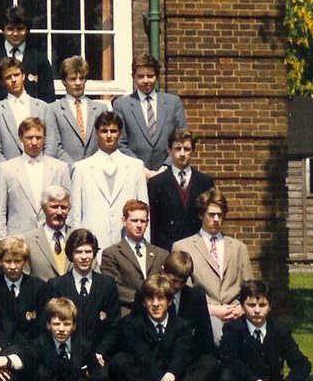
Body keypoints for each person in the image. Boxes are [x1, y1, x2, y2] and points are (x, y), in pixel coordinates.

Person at [114, 274, 217, 381]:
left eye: (160, 298)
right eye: (150, 299)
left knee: (208, 361)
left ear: (169, 301)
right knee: (120, 360)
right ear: (143, 302)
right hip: (149, 380)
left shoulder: (183, 325)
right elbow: (143, 358)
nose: (155, 304)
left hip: (175, 379)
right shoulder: (131, 324)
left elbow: (179, 357)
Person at [218, 280, 313, 381]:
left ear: (270, 306)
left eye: (262, 305)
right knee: (226, 377)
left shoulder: (279, 329)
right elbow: (231, 360)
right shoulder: (233, 328)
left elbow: (301, 363)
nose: (257, 310)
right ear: (242, 306)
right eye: (251, 305)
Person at [174, 187, 252, 344]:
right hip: (205, 314)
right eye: (211, 214)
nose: (216, 219)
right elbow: (184, 292)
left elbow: (250, 286)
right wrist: (211, 309)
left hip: (236, 312)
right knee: (219, 339)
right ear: (201, 215)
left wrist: (242, 308)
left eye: (220, 215)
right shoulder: (183, 246)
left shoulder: (239, 247)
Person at [68, 111, 148, 251]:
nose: (109, 136)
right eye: (104, 131)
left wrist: (143, 247)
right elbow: (75, 215)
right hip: (92, 246)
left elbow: (144, 211)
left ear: (120, 133)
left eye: (113, 131)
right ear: (96, 133)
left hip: (127, 245)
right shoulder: (81, 168)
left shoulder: (135, 166)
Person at [28, 296, 117, 381]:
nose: (61, 329)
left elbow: (101, 380)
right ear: (48, 325)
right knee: (39, 373)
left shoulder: (85, 346)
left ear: (74, 325)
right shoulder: (38, 346)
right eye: (56, 324)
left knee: (103, 375)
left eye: (67, 324)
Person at [0, 119, 72, 238]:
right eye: (29, 138)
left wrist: (68, 239)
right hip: (18, 239)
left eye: (39, 138)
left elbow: (69, 208)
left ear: (44, 138)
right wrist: (2, 242)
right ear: (20, 138)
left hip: (51, 238)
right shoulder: (6, 169)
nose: (34, 142)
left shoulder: (60, 168)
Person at [112, 53, 188, 172]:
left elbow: (182, 138)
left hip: (168, 173)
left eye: (150, 76)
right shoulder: (122, 105)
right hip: (133, 173)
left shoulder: (173, 103)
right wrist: (142, 170)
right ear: (133, 77)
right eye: (140, 76)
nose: (146, 80)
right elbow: (120, 143)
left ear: (157, 76)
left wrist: (165, 167)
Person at [46, 228, 118, 350]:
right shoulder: (56, 285)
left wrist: (101, 351)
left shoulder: (107, 284)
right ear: (71, 254)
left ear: (94, 253)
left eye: (88, 251)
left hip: (100, 354)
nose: (84, 257)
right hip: (68, 353)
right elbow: (50, 325)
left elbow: (114, 325)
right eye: (78, 252)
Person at [0, 57, 60, 170]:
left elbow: (51, 144)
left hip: (42, 172)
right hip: (10, 174)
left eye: (16, 75)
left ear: (23, 76)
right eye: (8, 77)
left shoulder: (44, 108)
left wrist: (42, 169)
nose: (13, 80)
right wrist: (11, 174)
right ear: (2, 82)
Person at [146, 127, 214, 250]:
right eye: (177, 148)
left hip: (198, 249)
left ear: (193, 151)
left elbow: (210, 219)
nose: (182, 154)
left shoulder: (205, 182)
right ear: (169, 150)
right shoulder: (156, 183)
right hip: (167, 249)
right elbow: (153, 223)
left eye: (187, 149)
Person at [0, 5, 55, 109]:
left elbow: (48, 96)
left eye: (20, 28)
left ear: (27, 30)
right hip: (0, 117)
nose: (15, 33)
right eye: (10, 29)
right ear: (3, 30)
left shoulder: (39, 59)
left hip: (33, 117)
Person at [97, 199, 166, 317]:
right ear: (124, 221)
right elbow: (113, 288)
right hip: (128, 314)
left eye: (143, 221)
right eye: (134, 220)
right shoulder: (112, 254)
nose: (139, 225)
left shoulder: (161, 254)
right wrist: (142, 298)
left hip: (157, 314)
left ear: (147, 223)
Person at [0, 235, 52, 339]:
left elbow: (43, 325)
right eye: (8, 261)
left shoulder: (39, 288)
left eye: (17, 261)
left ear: (25, 261)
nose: (13, 267)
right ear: (0, 261)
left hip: (31, 345)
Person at [49, 56, 110, 166]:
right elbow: (55, 146)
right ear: (63, 81)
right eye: (73, 79)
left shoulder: (100, 109)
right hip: (68, 170)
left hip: (96, 169)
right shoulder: (53, 110)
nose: (78, 83)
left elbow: (105, 143)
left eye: (81, 78)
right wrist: (75, 168)